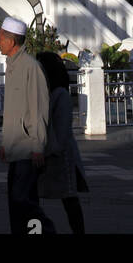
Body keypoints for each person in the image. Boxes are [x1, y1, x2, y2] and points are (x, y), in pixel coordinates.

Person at [0, 16, 56, 235]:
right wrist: (6, 143)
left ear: (11, 41)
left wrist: (38, 146)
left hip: (28, 148)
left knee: (25, 201)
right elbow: (13, 110)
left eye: (1, 38)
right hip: (15, 148)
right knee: (15, 201)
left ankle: (46, 232)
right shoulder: (12, 66)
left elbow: (39, 109)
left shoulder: (31, 67)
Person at [35, 51, 90, 234]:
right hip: (47, 152)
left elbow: (62, 129)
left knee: (69, 199)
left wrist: (50, 150)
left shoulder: (60, 95)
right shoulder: (46, 93)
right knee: (34, 198)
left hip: (61, 155)